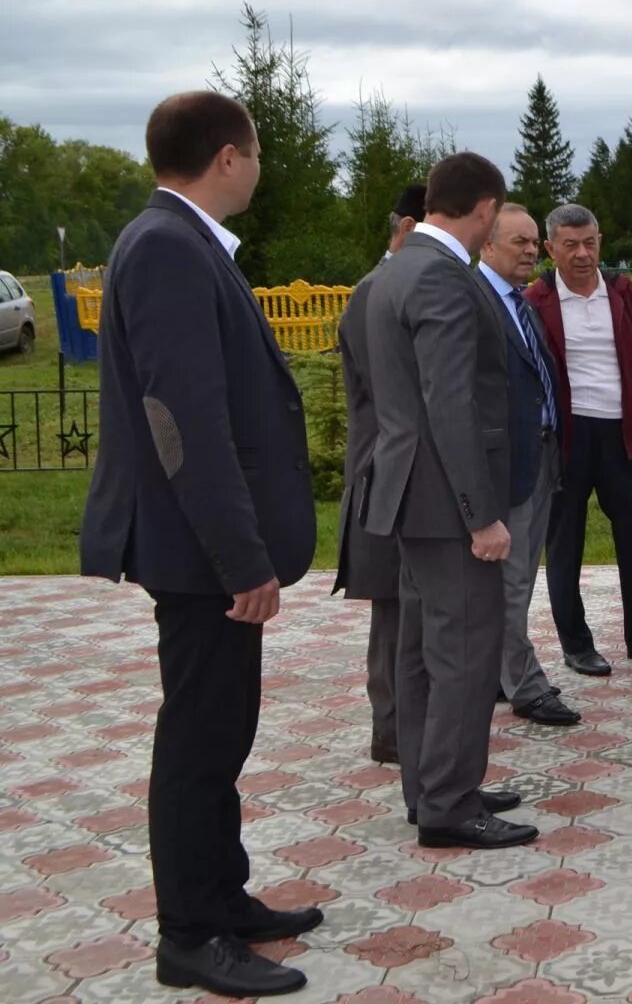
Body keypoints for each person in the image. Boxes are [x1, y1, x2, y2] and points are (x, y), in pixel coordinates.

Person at [79, 91, 318, 998]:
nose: (259, 166)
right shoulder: (170, 249)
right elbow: (182, 421)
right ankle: (188, 935)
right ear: (228, 156)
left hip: (204, 549)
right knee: (199, 740)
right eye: (255, 151)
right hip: (199, 555)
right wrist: (241, 558)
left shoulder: (178, 245)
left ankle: (224, 897)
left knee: (223, 730)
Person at [362, 152, 535, 849]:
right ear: (486, 209)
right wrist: (482, 515)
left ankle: (429, 783)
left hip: (407, 495)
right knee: (464, 647)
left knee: (420, 648)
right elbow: (451, 403)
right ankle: (449, 803)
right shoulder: (442, 277)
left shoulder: (396, 268)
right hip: (444, 502)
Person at [525, 203, 632, 674]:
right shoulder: (537, 300)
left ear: (600, 242)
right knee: (565, 541)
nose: (581, 254)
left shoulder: (622, 293)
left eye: (589, 242)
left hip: (621, 434)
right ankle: (576, 644)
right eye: (570, 245)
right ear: (551, 248)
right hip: (567, 437)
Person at [332, 181, 427, 764]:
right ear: (412, 228)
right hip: (386, 474)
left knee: (407, 604)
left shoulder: (391, 283)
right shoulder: (378, 292)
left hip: (401, 471)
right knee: (395, 609)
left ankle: (403, 726)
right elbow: (399, 394)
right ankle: (392, 730)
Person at [475, 203, 580, 725]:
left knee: (519, 579)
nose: (531, 251)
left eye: (534, 242)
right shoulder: (477, 303)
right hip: (505, 468)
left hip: (541, 457)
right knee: (511, 583)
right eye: (519, 241)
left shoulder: (522, 303)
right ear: (487, 245)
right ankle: (525, 685)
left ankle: (500, 672)